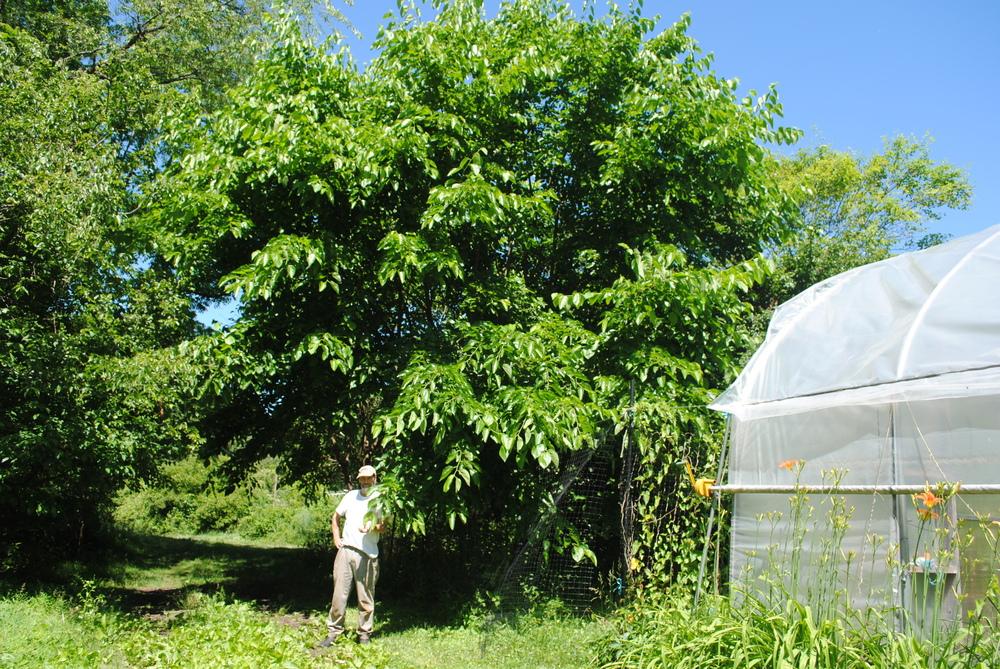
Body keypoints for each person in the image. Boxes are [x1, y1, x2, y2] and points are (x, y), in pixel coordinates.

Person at [319, 465, 385, 646]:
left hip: (368, 554)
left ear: (374, 478)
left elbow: (383, 526)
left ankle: (364, 634)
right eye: (362, 478)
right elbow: (335, 517)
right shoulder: (350, 496)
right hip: (346, 551)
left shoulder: (380, 499)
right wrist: (336, 536)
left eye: (368, 478)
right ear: (359, 479)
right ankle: (333, 632)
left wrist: (371, 527)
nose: (365, 481)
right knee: (339, 595)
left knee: (365, 597)